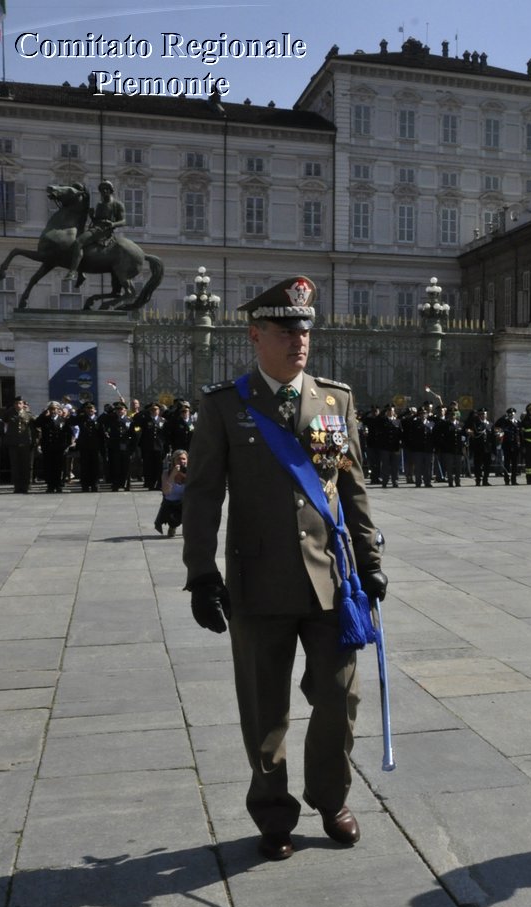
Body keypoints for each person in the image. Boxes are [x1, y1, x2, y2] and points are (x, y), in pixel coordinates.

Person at [182, 275, 384, 862]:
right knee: (264, 707)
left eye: (305, 329)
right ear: (256, 334)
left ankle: (330, 797)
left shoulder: (333, 400)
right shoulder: (226, 405)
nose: (300, 340)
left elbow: (352, 489)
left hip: (331, 581)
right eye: (287, 329)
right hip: (257, 582)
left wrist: (370, 562)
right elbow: (201, 495)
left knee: (339, 698)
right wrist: (200, 574)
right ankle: (273, 812)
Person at [71, 180, 125, 288]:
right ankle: (81, 273)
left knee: (78, 242)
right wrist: (92, 216)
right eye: (102, 189)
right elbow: (96, 221)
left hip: (104, 231)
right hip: (95, 228)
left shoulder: (117, 204)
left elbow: (123, 221)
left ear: (111, 190)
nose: (104, 191)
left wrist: (113, 224)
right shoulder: (100, 205)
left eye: (106, 189)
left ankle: (73, 272)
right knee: (78, 245)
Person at [154, 448, 188, 537]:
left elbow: (196, 490)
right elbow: (166, 492)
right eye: (178, 459)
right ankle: (172, 526)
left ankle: (189, 527)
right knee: (174, 517)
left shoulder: (191, 473)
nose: (181, 461)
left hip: (185, 503)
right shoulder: (166, 473)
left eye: (183, 459)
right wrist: (173, 474)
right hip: (170, 504)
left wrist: (186, 476)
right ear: (173, 461)